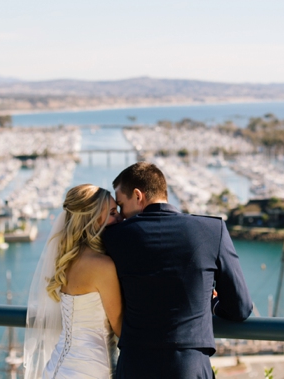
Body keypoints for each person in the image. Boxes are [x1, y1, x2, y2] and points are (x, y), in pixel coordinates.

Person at [102, 162, 253, 379]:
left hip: (135, 365)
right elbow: (241, 308)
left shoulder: (113, 238)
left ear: (138, 195)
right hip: (189, 366)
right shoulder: (213, 230)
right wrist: (212, 303)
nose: (122, 215)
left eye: (121, 205)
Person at [24, 184, 123, 379]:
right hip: (91, 370)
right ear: (93, 220)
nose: (120, 217)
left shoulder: (66, 259)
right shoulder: (102, 266)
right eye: (112, 212)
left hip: (56, 367)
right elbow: (121, 327)